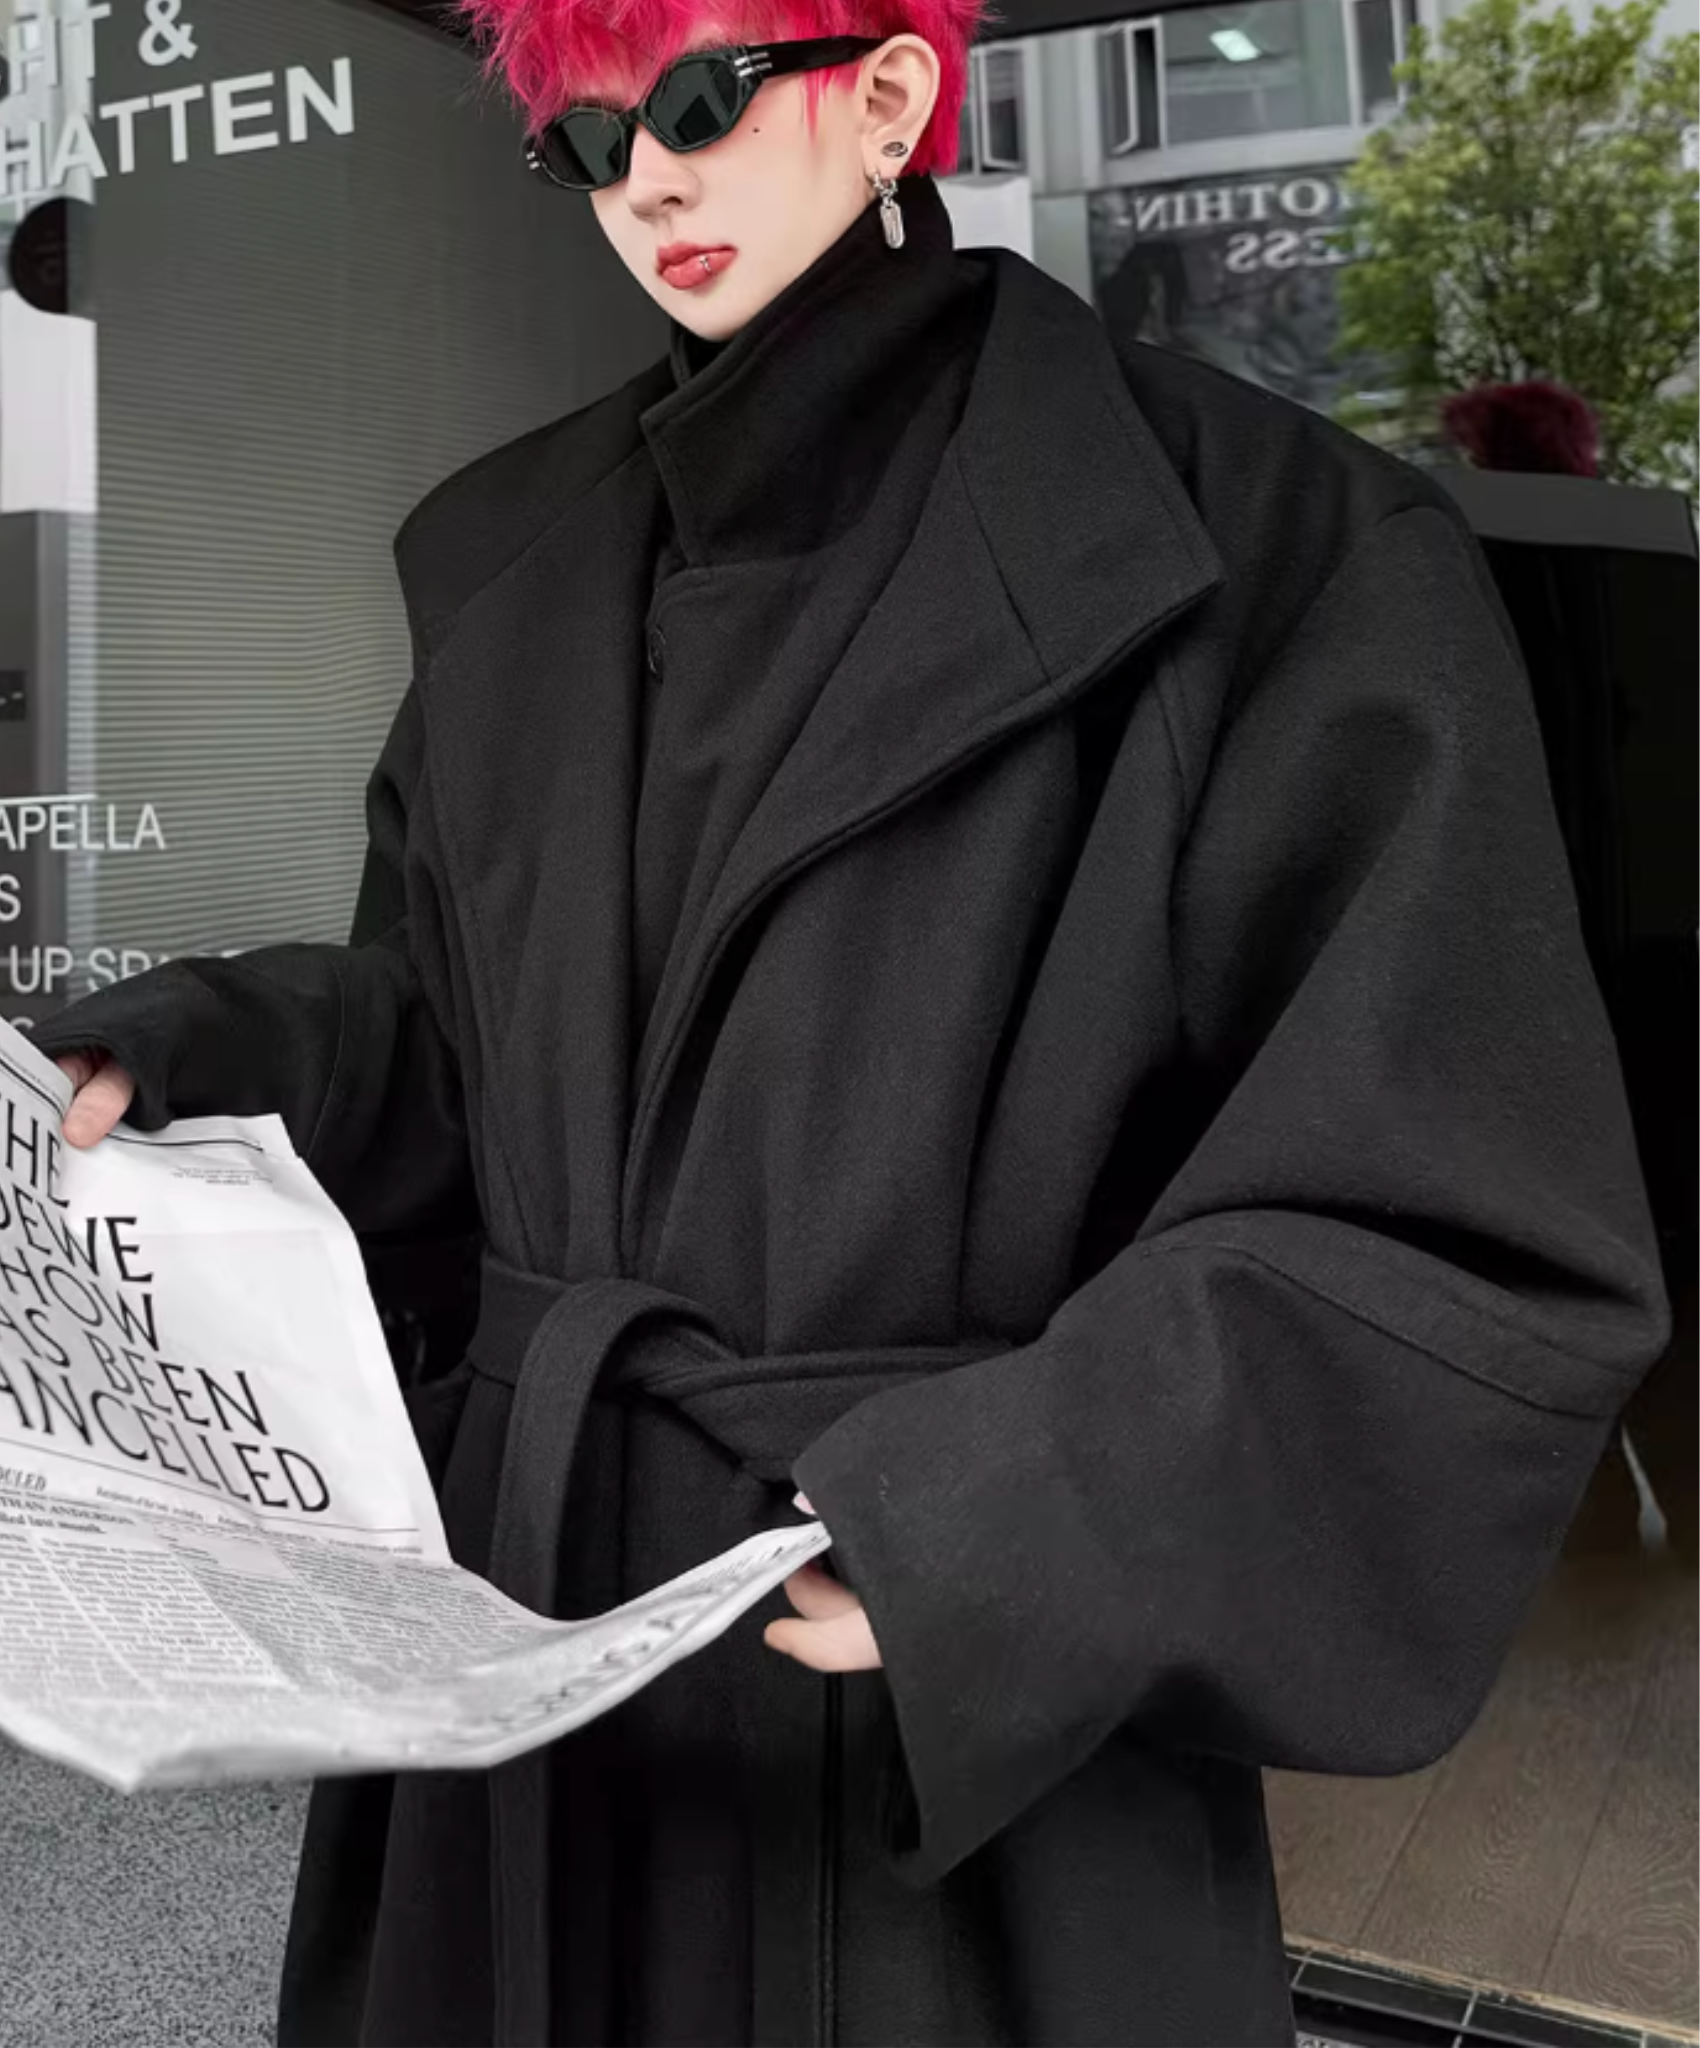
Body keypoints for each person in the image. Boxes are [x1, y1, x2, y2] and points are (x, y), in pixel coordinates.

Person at [32, 0, 1670, 2039]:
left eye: (700, 97)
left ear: (892, 92)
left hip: (938, 1717)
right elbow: (459, 1045)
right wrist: (209, 1060)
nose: (648, 179)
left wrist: (1024, 1515)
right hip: (520, 1655)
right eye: (590, 136)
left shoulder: (1274, 553)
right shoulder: (513, 563)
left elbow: (1455, 1220)